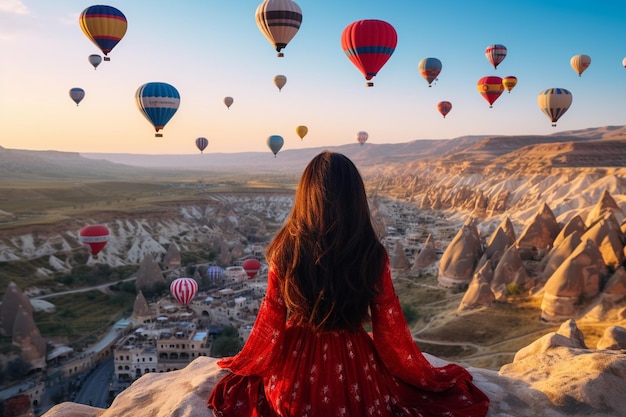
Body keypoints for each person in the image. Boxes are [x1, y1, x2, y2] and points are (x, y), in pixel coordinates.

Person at [208, 151, 490, 416]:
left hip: (293, 383)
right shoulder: (371, 252)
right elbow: (389, 328)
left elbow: (271, 320)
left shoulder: (286, 250)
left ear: (305, 196)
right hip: (357, 376)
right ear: (356, 198)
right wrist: (417, 372)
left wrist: (247, 363)